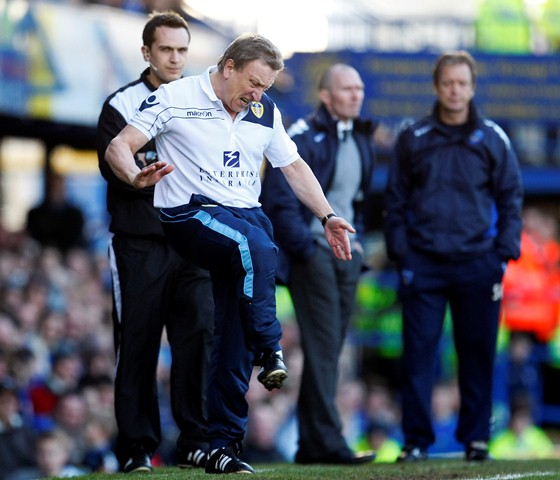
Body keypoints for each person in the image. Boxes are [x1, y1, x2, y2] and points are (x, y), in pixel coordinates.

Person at [104, 32, 356, 475]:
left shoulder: (264, 110)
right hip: (190, 214)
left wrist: (327, 215)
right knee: (256, 246)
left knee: (232, 334)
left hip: (246, 216)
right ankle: (270, 347)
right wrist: (134, 177)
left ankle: (222, 445)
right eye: (254, 83)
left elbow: (293, 167)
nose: (257, 95)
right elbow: (118, 146)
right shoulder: (176, 97)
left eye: (266, 88)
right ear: (228, 67)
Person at [383, 50, 523, 462]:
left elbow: (511, 197)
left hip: (478, 263)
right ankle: (416, 441)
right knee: (418, 355)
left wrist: (503, 254)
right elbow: (395, 200)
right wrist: (403, 254)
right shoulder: (414, 136)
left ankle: (476, 439)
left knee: (478, 353)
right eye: (448, 83)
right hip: (422, 264)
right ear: (436, 86)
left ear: (472, 87)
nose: (455, 91)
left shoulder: (494, 137)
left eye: (462, 83)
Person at [96, 11, 213, 473]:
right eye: (166, 49)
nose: (175, 58)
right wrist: (137, 179)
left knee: (199, 337)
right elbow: (113, 160)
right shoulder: (121, 105)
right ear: (146, 52)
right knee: (138, 344)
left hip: (194, 241)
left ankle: (196, 442)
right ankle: (136, 448)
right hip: (139, 243)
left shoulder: (203, 100)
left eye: (182, 49)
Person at [260, 63, 376, 465]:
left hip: (347, 257)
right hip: (315, 252)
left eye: (359, 88)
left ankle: (312, 444)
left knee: (329, 350)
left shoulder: (360, 137)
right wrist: (307, 250)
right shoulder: (303, 136)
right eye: (346, 88)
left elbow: (355, 199)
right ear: (325, 95)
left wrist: (357, 246)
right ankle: (329, 441)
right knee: (326, 349)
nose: (355, 95)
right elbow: (279, 198)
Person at [26, 171, 85, 255]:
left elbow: (77, 238)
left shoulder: (75, 214)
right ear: (49, 190)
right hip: (41, 254)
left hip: (68, 254)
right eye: (55, 188)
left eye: (60, 188)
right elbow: (32, 237)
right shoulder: (35, 213)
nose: (58, 192)